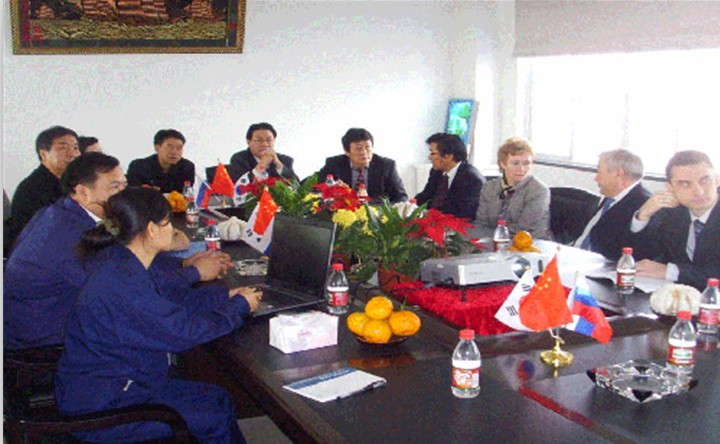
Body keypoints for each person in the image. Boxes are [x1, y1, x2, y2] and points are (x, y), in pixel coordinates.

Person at [55, 187, 261, 443]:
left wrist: (224, 298)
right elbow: (184, 333)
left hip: (122, 382)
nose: (172, 230)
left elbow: (168, 298)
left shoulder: (123, 259)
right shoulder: (122, 281)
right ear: (151, 230)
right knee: (213, 413)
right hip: (107, 405)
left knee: (218, 398)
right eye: (167, 223)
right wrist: (238, 308)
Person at [4, 153, 230, 350]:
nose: (124, 194)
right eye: (115, 188)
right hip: (45, 344)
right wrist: (194, 273)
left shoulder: (67, 212)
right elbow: (134, 292)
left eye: (124, 185)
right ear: (83, 192)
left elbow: (127, 258)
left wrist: (183, 263)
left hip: (49, 324)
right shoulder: (72, 237)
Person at [630, 150, 720, 290]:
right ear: (670, 188)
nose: (699, 191)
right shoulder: (672, 213)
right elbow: (638, 256)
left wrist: (671, 271)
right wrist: (643, 214)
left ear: (717, 180)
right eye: (685, 184)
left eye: (705, 180)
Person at [5, 126, 80, 254]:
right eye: (63, 148)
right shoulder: (33, 188)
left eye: (75, 148)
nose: (72, 154)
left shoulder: (75, 182)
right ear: (43, 154)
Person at [573, 149, 651, 260]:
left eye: (599, 172)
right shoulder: (612, 196)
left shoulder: (643, 206)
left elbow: (622, 252)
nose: (596, 178)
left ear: (618, 173)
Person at [470, 137, 551, 239]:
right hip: (493, 241)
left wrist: (492, 235)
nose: (522, 169)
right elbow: (481, 223)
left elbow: (522, 229)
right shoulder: (489, 187)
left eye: (526, 163)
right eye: (515, 163)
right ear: (502, 164)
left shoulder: (538, 190)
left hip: (529, 243)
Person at [317, 128, 408, 203]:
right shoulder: (334, 164)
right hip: (343, 214)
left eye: (367, 147)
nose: (364, 152)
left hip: (376, 215)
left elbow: (401, 198)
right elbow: (317, 190)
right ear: (347, 151)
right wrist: (334, 189)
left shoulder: (386, 166)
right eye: (358, 148)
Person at [415, 133, 485, 220]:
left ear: (448, 156)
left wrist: (429, 215)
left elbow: (461, 213)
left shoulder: (472, 179)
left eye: (433, 153)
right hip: (434, 221)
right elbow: (425, 196)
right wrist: (410, 205)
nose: (429, 158)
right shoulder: (436, 172)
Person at [127, 129, 195, 193]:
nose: (175, 152)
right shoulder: (138, 166)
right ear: (157, 148)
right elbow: (132, 194)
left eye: (179, 148)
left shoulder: (187, 167)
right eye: (170, 147)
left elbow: (186, 194)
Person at [229, 122, 297, 182]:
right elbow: (240, 185)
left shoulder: (285, 160)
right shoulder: (239, 159)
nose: (265, 144)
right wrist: (262, 164)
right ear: (248, 142)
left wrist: (278, 164)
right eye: (259, 140)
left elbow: (297, 186)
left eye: (269, 140)